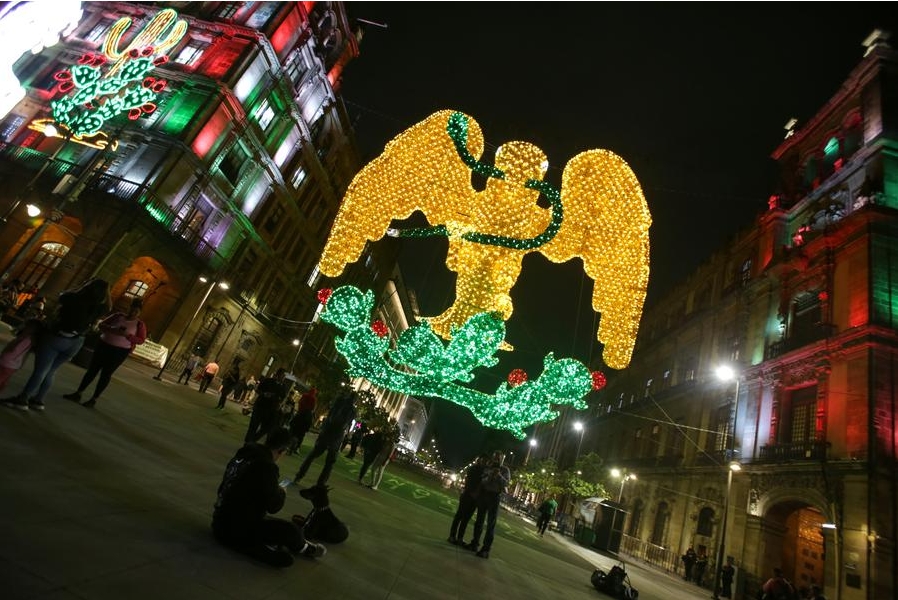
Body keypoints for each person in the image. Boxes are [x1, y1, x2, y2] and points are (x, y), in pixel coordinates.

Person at [212, 427, 325, 567]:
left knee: (281, 529)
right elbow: (273, 506)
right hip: (237, 528)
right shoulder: (267, 466)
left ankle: (294, 545)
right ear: (281, 450)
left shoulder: (245, 453)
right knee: (289, 534)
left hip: (219, 518)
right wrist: (281, 492)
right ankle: (304, 548)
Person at [2, 278, 111, 412]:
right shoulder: (99, 307)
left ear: (87, 287)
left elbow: (62, 295)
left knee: (40, 371)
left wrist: (82, 286)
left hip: (56, 337)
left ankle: (22, 399)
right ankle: (38, 400)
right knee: (51, 370)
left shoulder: (73, 298)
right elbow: (109, 306)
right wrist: (107, 292)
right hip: (76, 342)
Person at [63, 297, 147, 408]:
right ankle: (78, 393)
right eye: (132, 309)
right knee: (92, 370)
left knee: (106, 374)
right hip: (104, 346)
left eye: (136, 311)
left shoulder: (139, 325)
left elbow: (141, 340)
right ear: (129, 308)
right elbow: (102, 325)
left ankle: (93, 399)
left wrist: (128, 336)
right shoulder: (118, 316)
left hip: (119, 352)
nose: (133, 313)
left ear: (139, 313)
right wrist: (111, 329)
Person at [292, 388, 358, 488]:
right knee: (329, 463)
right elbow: (346, 424)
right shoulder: (352, 410)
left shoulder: (339, 401)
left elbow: (330, 413)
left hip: (327, 431)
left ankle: (300, 475)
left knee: (313, 454)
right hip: (337, 435)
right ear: (355, 400)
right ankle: (320, 483)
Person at [465, 450, 511, 559]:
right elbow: (483, 481)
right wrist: (490, 476)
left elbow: (506, 484)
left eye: (499, 458)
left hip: (495, 496)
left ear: (502, 459)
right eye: (495, 457)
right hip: (484, 494)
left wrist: (499, 475)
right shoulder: (488, 467)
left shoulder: (505, 470)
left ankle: (486, 549)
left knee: (491, 524)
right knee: (479, 520)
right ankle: (475, 543)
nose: (497, 459)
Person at [448, 453, 487, 545]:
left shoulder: (484, 471)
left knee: (466, 519)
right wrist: (472, 492)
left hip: (475, 498)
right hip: (467, 495)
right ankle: (452, 536)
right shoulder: (474, 468)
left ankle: (460, 538)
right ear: (479, 460)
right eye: (483, 460)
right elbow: (468, 482)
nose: (484, 462)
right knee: (459, 516)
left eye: (486, 461)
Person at [244, 367, 290, 443]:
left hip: (271, 410)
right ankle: (248, 442)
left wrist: (280, 404)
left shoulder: (283, 387)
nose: (284, 377)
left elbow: (283, 397)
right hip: (260, 406)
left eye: (284, 376)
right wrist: (264, 394)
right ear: (278, 375)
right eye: (283, 375)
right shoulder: (268, 381)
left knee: (267, 428)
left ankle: (253, 439)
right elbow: (257, 389)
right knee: (253, 426)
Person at [0, 318, 42, 392]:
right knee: (4, 379)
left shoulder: (23, 338)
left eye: (26, 326)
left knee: (2, 377)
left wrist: (5, 350)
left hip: (7, 361)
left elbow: (13, 349)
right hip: (14, 365)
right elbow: (25, 355)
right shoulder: (31, 340)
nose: (24, 327)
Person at [287, 386, 317, 455]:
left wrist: (300, 410)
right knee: (301, 434)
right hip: (306, 418)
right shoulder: (313, 399)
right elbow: (312, 408)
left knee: (293, 429)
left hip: (300, 414)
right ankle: (297, 447)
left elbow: (300, 402)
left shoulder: (305, 395)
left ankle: (288, 444)